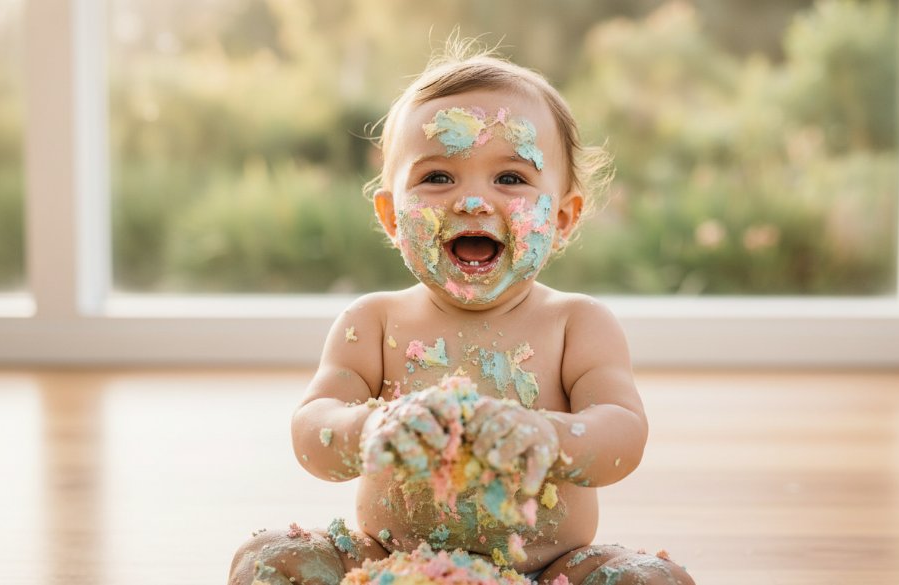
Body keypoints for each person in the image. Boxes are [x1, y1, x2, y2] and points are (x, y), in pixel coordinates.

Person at [228, 40, 695, 585]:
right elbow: (313, 428)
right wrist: (368, 428)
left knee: (651, 578)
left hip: (546, 570)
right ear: (391, 216)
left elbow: (623, 436)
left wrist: (549, 438)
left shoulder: (577, 325)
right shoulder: (372, 323)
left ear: (564, 217)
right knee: (267, 556)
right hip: (386, 563)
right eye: (437, 178)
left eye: (511, 178)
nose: (472, 202)